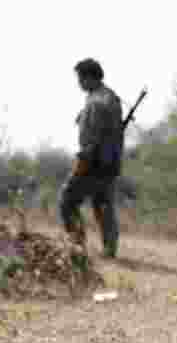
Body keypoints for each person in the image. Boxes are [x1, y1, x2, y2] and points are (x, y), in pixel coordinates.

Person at [59, 58, 125, 258]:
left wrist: (82, 162)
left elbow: (92, 139)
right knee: (103, 204)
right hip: (111, 162)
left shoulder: (96, 102)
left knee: (67, 200)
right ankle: (109, 248)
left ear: (89, 77)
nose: (78, 83)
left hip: (93, 162)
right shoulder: (111, 97)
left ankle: (77, 245)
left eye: (80, 78)